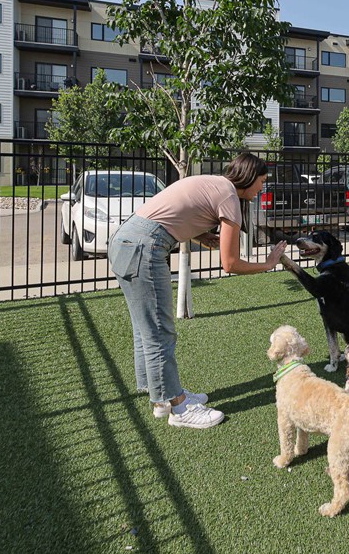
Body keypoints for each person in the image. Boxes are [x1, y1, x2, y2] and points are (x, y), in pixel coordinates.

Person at [108, 153, 287, 430]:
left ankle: (162, 399)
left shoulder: (215, 183)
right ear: (250, 177)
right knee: (159, 331)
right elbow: (230, 264)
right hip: (144, 248)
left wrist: (200, 234)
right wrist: (268, 264)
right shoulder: (229, 196)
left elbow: (172, 212)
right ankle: (179, 408)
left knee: (146, 329)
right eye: (262, 181)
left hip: (126, 242)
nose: (262, 188)